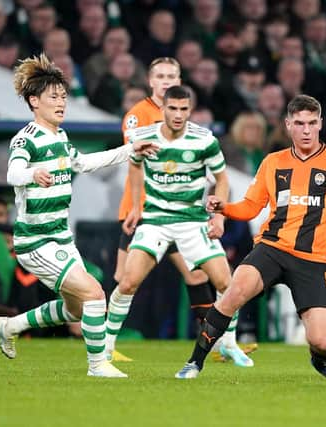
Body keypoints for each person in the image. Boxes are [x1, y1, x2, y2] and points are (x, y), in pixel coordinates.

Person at [0, 53, 157, 378]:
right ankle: (97, 366)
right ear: (34, 101)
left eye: (63, 96)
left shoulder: (62, 139)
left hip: (60, 237)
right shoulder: (26, 139)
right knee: (95, 293)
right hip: (36, 241)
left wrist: (130, 151)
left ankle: (11, 326)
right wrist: (32, 173)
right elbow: (13, 173)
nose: (61, 102)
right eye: (54, 97)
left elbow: (86, 163)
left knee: (78, 308)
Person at [175, 94, 326, 379]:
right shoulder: (273, 163)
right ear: (288, 124)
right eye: (299, 123)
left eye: (312, 123)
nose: (306, 130)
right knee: (233, 292)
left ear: (320, 124)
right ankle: (195, 362)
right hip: (272, 248)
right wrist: (225, 208)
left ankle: (321, 358)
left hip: (313, 260)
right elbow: (251, 207)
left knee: (324, 342)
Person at [110, 57, 252, 365]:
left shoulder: (194, 130)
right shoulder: (138, 119)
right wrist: (137, 206)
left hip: (181, 215)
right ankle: (99, 342)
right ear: (151, 81)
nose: (165, 80)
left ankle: (214, 341)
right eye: (159, 75)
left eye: (171, 75)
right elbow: (135, 161)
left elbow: (219, 176)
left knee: (197, 274)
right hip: (145, 212)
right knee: (125, 278)